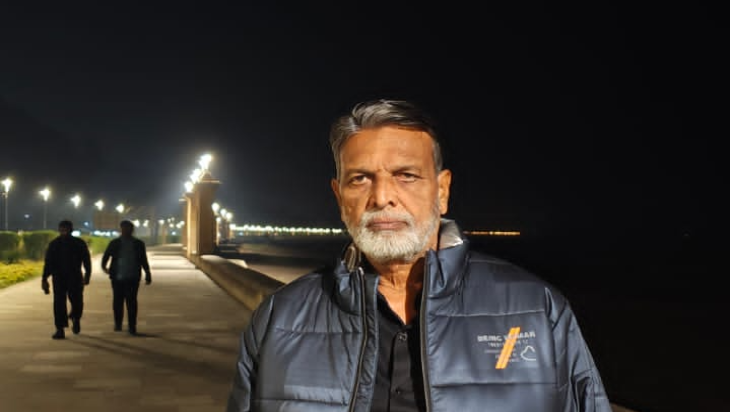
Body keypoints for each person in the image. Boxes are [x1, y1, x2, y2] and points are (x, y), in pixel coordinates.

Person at [226, 99, 612, 411]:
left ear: (442, 191)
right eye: (360, 178)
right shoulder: (278, 320)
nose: (382, 197)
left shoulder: (538, 312)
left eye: (406, 176)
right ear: (339, 197)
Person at [41, 220, 92, 340]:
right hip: (58, 278)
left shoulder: (79, 243)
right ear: (59, 230)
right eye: (62, 229)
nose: (64, 232)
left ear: (71, 230)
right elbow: (48, 262)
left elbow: (86, 260)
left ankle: (76, 317)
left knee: (77, 301)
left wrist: (87, 275)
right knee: (59, 303)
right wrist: (44, 278)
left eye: (66, 229)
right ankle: (60, 329)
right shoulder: (54, 244)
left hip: (75, 277)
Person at [101, 219, 152, 335]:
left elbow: (143, 259)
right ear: (121, 229)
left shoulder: (138, 244)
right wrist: (104, 267)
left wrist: (147, 272)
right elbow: (106, 256)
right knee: (117, 301)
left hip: (133, 277)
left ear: (132, 230)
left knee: (131, 301)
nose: (126, 231)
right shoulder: (115, 243)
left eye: (128, 229)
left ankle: (132, 325)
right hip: (117, 277)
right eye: (124, 228)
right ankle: (118, 323)